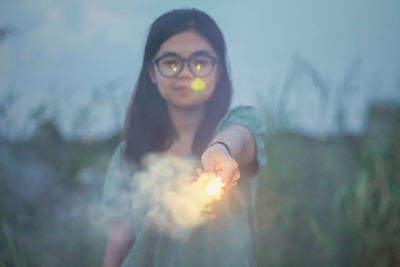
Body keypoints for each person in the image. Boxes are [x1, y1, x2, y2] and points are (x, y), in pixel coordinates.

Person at [101, 8, 267, 267]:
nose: (185, 73)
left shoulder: (242, 125)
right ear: (152, 72)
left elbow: (239, 137)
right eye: (171, 62)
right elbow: (117, 247)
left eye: (200, 63)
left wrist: (220, 150)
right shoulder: (128, 154)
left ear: (218, 71)